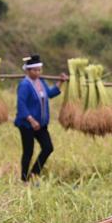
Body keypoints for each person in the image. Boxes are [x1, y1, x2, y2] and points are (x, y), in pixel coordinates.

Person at [14, 54, 67, 183]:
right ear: (28, 70)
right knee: (28, 151)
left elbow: (49, 94)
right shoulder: (25, 85)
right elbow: (21, 105)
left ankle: (34, 173)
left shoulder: (41, 82)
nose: (38, 72)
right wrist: (31, 120)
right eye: (35, 70)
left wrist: (60, 82)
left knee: (48, 147)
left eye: (39, 70)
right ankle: (24, 179)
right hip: (27, 124)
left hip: (41, 124)